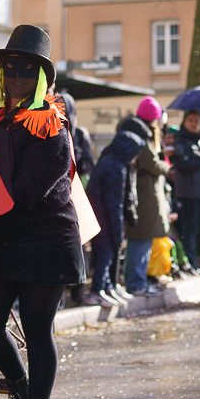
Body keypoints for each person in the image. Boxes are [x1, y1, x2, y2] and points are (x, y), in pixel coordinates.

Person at [0, 25, 85, 399]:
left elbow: (23, 192)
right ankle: (21, 395)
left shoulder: (52, 127)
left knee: (37, 331)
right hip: (2, 239)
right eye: (9, 69)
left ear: (41, 79)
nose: (16, 77)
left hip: (46, 240)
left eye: (26, 71)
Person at [84, 125, 144, 305]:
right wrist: (118, 232)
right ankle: (96, 291)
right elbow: (114, 204)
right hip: (103, 218)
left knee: (104, 254)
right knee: (106, 254)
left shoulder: (108, 161)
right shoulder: (117, 168)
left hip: (96, 215)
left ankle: (106, 287)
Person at [117, 98, 171, 296]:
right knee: (141, 238)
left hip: (144, 192)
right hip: (145, 194)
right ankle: (136, 282)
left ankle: (138, 280)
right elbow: (152, 164)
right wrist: (167, 167)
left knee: (143, 239)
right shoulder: (143, 135)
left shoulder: (138, 131)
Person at [170, 111, 200, 269]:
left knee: (196, 229)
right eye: (190, 120)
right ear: (184, 122)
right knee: (189, 229)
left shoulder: (199, 140)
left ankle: (193, 260)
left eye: (196, 120)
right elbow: (181, 165)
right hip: (188, 192)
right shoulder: (180, 140)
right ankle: (189, 263)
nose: (194, 123)